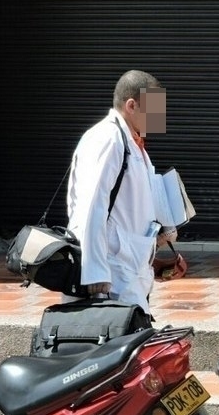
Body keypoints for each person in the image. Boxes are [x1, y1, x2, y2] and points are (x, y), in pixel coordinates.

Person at [65, 70, 170, 322]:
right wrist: (95, 272)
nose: (161, 116)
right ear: (131, 105)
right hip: (110, 273)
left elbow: (129, 209)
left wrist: (155, 253)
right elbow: (91, 206)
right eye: (156, 108)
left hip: (127, 269)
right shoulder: (107, 139)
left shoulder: (131, 142)